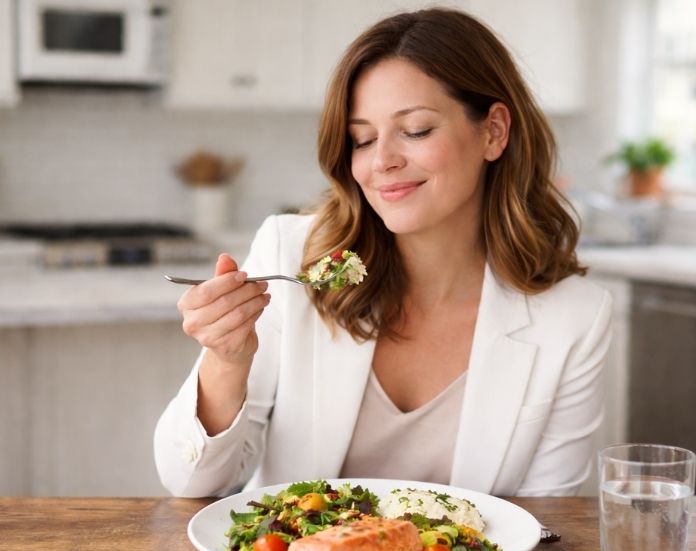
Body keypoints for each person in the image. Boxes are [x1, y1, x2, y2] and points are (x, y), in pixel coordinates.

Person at [154, 7, 612, 498]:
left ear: (493, 132)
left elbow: (545, 526)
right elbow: (192, 483)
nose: (382, 161)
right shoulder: (294, 258)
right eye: (362, 139)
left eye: (415, 130)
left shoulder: (574, 317)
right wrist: (226, 361)